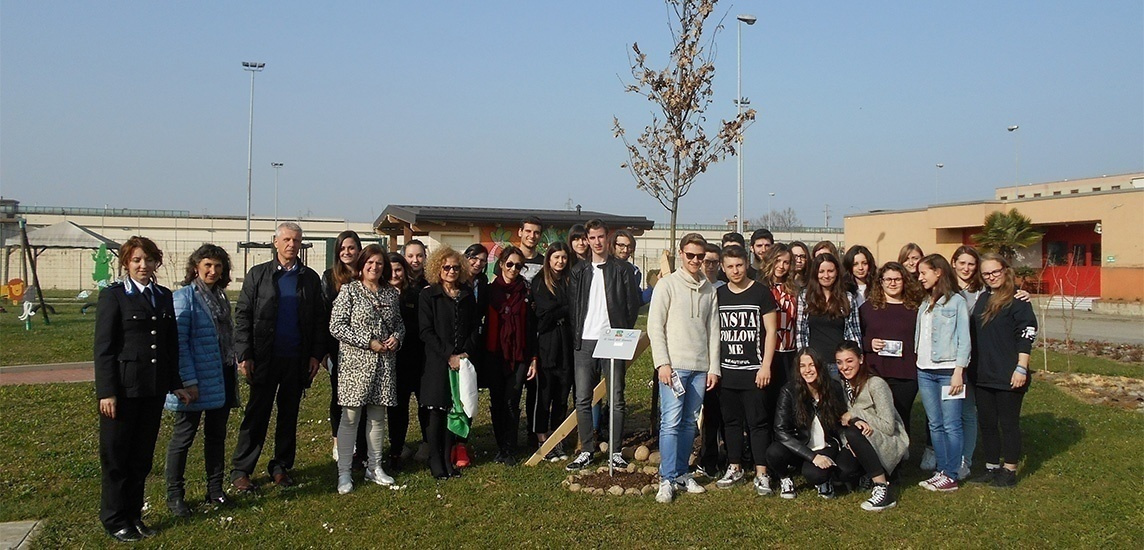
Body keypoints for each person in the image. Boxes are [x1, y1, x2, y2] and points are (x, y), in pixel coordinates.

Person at [95, 236, 183, 542]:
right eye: (136, 260)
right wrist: (107, 391)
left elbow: (170, 344)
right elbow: (104, 348)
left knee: (141, 458)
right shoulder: (114, 296)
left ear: (156, 262)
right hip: (122, 389)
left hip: (152, 388)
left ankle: (134, 515)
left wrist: (175, 382)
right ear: (126, 263)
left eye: (148, 260)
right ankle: (114, 518)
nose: (143, 266)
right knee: (117, 456)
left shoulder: (163, 295)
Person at [231, 222, 327, 491]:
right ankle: (242, 470)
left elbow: (319, 320)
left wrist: (315, 355)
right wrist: (245, 354)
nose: (291, 245)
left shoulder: (309, 278)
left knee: (289, 415)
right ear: (275, 243)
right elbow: (243, 316)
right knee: (256, 414)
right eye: (286, 240)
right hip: (264, 358)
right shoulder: (258, 275)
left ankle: (281, 466)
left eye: (296, 240)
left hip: (295, 359)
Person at [165, 244, 238, 518]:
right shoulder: (184, 297)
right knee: (183, 438)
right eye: (207, 265)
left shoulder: (219, 297)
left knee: (216, 436)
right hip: (194, 381)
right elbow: (179, 344)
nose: (213, 270)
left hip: (221, 375)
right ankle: (175, 496)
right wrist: (188, 381)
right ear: (196, 267)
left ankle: (215, 489)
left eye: (218, 266)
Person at [648, 233, 720, 503]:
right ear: (681, 254)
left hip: (700, 368)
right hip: (674, 367)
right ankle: (666, 478)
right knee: (671, 422)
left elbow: (714, 331)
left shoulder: (709, 291)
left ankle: (680, 472)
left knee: (690, 422)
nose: (695, 260)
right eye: (690, 255)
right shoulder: (666, 286)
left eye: (700, 257)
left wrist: (714, 368)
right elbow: (655, 327)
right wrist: (662, 364)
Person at [565, 219, 642, 471]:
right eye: (592, 238)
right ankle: (587, 449)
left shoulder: (623, 270)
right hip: (584, 340)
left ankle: (616, 451)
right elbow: (574, 308)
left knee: (617, 397)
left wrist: (621, 331)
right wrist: (578, 336)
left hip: (613, 339)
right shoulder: (579, 272)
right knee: (583, 398)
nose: (597, 242)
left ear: (606, 238)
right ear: (586, 240)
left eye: (601, 237)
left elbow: (632, 306)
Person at [328, 245, 404, 494]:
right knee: (350, 418)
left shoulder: (391, 294)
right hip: (355, 366)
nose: (374, 267)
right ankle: (345, 473)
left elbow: (399, 324)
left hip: (384, 365)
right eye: (370, 262)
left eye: (379, 263)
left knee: (377, 416)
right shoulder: (349, 291)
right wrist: (367, 342)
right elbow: (336, 326)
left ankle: (375, 467)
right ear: (361, 265)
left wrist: (396, 337)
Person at [714, 245, 779, 496]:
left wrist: (766, 366)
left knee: (757, 423)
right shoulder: (719, 295)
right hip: (727, 371)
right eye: (729, 266)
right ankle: (735, 466)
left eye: (739, 265)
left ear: (747, 263)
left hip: (755, 371)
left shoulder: (761, 293)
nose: (735, 270)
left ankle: (762, 473)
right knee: (731, 422)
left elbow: (771, 331)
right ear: (723, 267)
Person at [969, 254, 1037, 488]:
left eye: (995, 272)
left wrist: (1021, 367)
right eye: (986, 274)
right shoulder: (982, 298)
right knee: (987, 423)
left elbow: (1027, 334)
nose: (991, 277)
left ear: (1005, 270)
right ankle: (991, 467)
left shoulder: (1018, 300)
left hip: (1009, 374)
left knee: (1008, 423)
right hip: (982, 373)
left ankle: (1009, 469)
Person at [419, 246, 481, 479]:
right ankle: (436, 462)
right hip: (437, 362)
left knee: (455, 411)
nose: (451, 271)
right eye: (447, 267)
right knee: (437, 413)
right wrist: (449, 354)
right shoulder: (428, 295)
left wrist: (465, 352)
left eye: (456, 267)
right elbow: (426, 331)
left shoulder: (466, 294)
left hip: (462, 362)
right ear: (438, 268)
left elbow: (475, 326)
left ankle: (448, 459)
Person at [914, 253, 971, 492]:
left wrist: (959, 371)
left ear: (938, 272)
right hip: (925, 371)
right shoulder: (925, 302)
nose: (920, 278)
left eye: (923, 273)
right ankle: (941, 470)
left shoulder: (957, 302)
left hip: (948, 371)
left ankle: (951, 474)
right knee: (935, 424)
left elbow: (964, 340)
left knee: (951, 424)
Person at [766, 348, 851, 500]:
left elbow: (841, 420)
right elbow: (780, 430)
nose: (808, 370)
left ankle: (825, 479)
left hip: (826, 446)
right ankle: (785, 478)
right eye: (803, 366)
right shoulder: (789, 391)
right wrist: (812, 456)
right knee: (774, 452)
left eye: (811, 365)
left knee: (815, 475)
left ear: (819, 366)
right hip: (800, 446)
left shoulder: (834, 388)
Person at [835, 341, 909, 511]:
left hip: (887, 439)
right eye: (840, 362)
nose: (844, 367)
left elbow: (888, 426)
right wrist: (850, 441)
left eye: (849, 361)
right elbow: (841, 420)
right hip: (857, 439)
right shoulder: (841, 385)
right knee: (844, 471)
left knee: (855, 433)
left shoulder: (876, 384)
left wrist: (857, 414)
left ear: (861, 359)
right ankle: (866, 473)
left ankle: (883, 489)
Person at [859, 262, 923, 448]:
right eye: (888, 279)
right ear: (881, 282)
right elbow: (854, 338)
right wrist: (868, 344)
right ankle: (878, 458)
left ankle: (901, 456)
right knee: (878, 418)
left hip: (906, 373)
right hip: (876, 373)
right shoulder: (868, 309)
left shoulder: (915, 309)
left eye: (897, 279)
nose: (893, 283)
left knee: (901, 417)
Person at [484, 246, 538, 465]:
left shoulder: (526, 292)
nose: (513, 269)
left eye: (518, 265)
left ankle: (510, 447)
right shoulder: (489, 291)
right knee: (497, 401)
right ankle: (500, 445)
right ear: (501, 263)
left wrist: (533, 358)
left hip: (519, 355)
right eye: (509, 264)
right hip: (495, 353)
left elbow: (532, 326)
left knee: (512, 400)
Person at [321, 230, 366, 468]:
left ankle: (361, 444)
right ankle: (339, 442)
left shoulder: (366, 274)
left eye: (351, 248)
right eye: (343, 248)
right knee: (340, 397)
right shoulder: (329, 277)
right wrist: (325, 352)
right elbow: (324, 315)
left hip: (365, 350)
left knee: (363, 398)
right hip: (338, 349)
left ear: (359, 250)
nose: (347, 252)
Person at [531, 242, 574, 461]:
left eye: (564, 258)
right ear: (549, 259)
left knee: (561, 396)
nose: (560, 261)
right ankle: (541, 438)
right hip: (548, 346)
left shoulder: (569, 281)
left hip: (567, 345)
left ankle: (558, 438)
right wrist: (564, 309)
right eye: (556, 257)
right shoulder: (540, 282)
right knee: (544, 395)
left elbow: (574, 307)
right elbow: (544, 317)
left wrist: (559, 310)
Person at [386, 252, 429, 471]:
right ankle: (397, 447)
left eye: (399, 270)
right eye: (391, 270)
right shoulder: (380, 295)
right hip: (392, 363)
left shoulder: (416, 294)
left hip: (418, 359)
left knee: (424, 404)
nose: (394, 274)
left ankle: (427, 443)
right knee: (397, 408)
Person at [795, 253, 861, 378]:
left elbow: (854, 333)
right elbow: (800, 332)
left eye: (830, 271)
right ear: (815, 274)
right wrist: (804, 360)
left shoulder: (847, 298)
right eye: (821, 271)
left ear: (837, 272)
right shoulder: (805, 297)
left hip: (840, 365)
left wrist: (854, 359)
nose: (826, 275)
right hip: (814, 364)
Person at [696, 242, 725, 478]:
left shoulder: (724, 289)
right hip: (697, 359)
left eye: (715, 262)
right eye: (707, 261)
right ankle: (704, 457)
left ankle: (721, 456)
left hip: (723, 361)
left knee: (720, 412)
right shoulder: (697, 287)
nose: (710, 266)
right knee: (700, 414)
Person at [762, 244, 799, 385]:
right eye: (777, 261)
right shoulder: (761, 288)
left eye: (786, 262)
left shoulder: (795, 290)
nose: (781, 266)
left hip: (790, 352)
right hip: (767, 352)